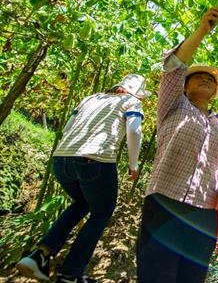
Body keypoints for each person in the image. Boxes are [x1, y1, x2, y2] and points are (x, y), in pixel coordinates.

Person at [136, 7, 218, 283]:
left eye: (211, 80)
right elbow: (172, 67)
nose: (207, 79)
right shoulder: (173, 105)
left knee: (192, 277)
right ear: (184, 86)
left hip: (205, 211)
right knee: (156, 274)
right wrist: (202, 32)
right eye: (199, 76)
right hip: (166, 200)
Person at [16, 74, 149, 283]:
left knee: (82, 203)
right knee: (101, 213)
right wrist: (134, 164)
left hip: (62, 159)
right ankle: (71, 272)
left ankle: (39, 255)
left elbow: (68, 128)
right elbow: (134, 129)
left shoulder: (91, 98)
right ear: (137, 92)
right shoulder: (131, 101)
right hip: (95, 160)